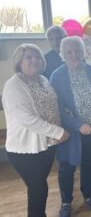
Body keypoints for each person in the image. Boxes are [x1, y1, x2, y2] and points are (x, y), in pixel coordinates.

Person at [2, 44, 69, 217]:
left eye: (37, 56)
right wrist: (58, 132)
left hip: (46, 145)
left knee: (39, 187)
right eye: (29, 57)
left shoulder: (43, 80)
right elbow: (27, 119)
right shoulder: (14, 85)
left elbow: (53, 106)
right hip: (25, 150)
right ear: (19, 61)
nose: (34, 60)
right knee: (38, 188)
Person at [50, 36, 91, 217]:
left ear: (83, 52)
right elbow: (59, 108)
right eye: (69, 52)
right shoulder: (57, 76)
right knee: (67, 168)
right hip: (70, 133)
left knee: (89, 165)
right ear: (62, 54)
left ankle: (88, 195)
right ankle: (66, 201)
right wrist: (78, 125)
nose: (74, 55)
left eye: (78, 50)